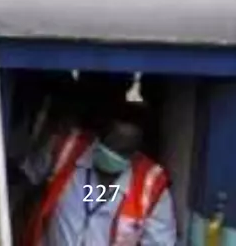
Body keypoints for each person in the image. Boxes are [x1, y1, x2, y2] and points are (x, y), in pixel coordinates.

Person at [19, 103, 175, 246]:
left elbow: (160, 243)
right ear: (98, 139)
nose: (114, 154)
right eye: (112, 145)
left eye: (124, 151)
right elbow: (25, 179)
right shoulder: (66, 150)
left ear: (136, 154)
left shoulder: (152, 186)